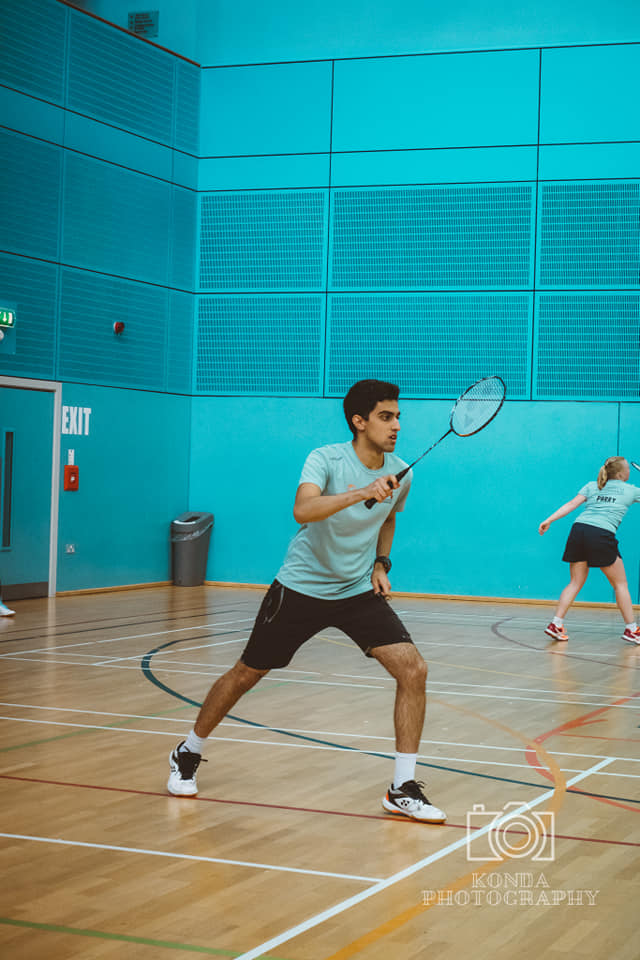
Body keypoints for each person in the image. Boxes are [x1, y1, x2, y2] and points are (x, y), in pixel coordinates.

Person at [167, 379, 446, 822]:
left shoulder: (402, 471)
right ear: (359, 421)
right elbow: (303, 510)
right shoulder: (326, 458)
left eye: (398, 417)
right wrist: (361, 491)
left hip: (355, 590)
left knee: (414, 669)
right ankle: (189, 749)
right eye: (385, 416)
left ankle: (401, 788)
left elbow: (388, 518)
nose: (396, 425)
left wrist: (381, 564)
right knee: (247, 674)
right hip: (300, 588)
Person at [539, 456, 640, 644]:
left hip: (579, 531)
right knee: (620, 585)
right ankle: (632, 629)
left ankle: (556, 623)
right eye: (628, 469)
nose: (630, 471)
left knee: (576, 582)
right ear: (620, 473)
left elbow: (571, 505)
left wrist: (549, 520)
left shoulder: (593, 486)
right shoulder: (632, 491)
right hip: (600, 534)